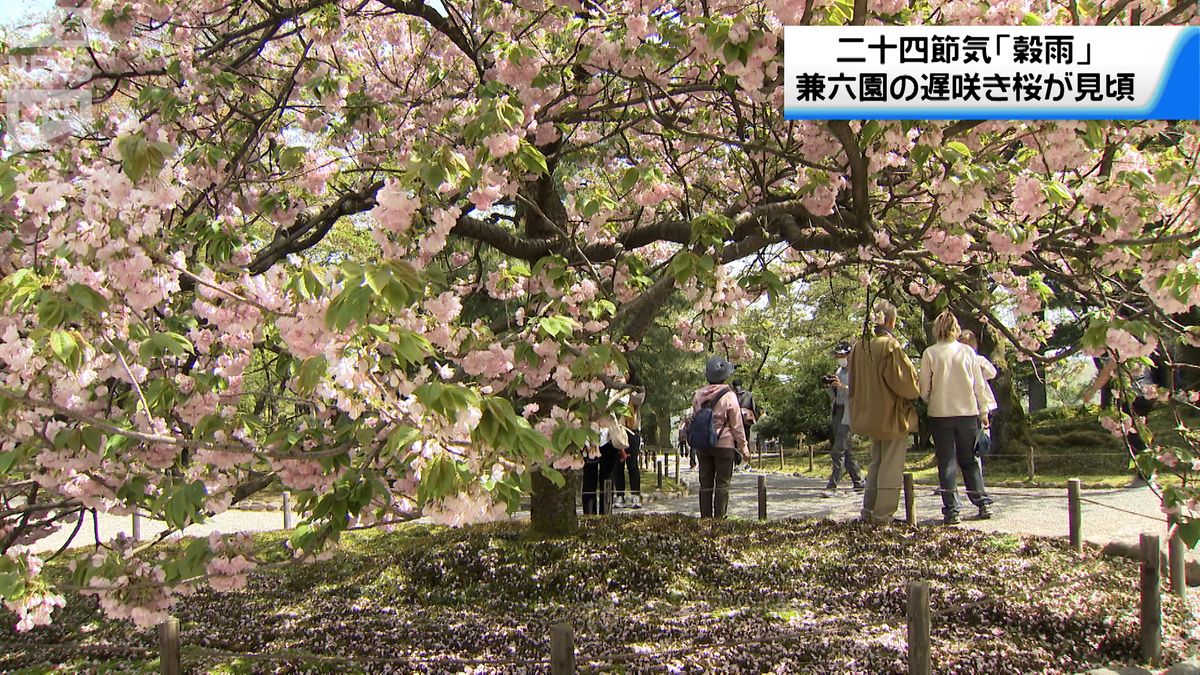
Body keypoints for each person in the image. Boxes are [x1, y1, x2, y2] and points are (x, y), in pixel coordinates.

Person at [919, 311, 996, 525]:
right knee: (969, 460)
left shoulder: (930, 353)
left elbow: (924, 388)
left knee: (946, 462)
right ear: (956, 328)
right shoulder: (967, 352)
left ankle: (952, 509)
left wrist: (930, 398)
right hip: (967, 413)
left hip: (940, 413)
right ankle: (982, 502)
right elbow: (978, 385)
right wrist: (983, 410)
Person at [849, 300, 920, 525]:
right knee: (891, 464)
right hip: (891, 413)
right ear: (891, 320)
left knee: (877, 463)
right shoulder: (889, 346)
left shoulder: (859, 346)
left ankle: (869, 510)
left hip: (868, 413)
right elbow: (906, 385)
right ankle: (883, 515)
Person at [691, 356, 748, 518]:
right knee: (722, 483)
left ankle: (705, 519)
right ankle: (719, 519)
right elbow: (737, 425)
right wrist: (744, 447)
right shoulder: (729, 396)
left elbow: (696, 417)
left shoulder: (699, 394)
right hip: (724, 444)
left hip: (703, 444)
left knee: (705, 484)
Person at [823, 341, 864, 497]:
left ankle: (832, 485)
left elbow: (858, 393)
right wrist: (829, 388)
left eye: (842, 355)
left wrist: (843, 387)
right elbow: (835, 396)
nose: (840, 358)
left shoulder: (856, 372)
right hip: (838, 411)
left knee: (838, 450)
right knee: (846, 449)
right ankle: (859, 482)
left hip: (849, 413)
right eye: (838, 355)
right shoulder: (839, 371)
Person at [613, 377, 645, 509]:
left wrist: (627, 390)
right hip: (618, 431)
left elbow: (639, 399)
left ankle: (635, 495)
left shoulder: (637, 391)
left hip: (633, 432)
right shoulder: (613, 390)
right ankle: (620, 495)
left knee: (632, 465)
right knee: (618, 465)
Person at [731, 378, 758, 470]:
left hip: (734, 421)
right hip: (746, 421)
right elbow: (753, 408)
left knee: (734, 442)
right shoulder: (749, 395)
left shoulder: (731, 395)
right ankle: (746, 463)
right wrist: (755, 420)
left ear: (733, 386)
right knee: (745, 441)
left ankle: (738, 463)